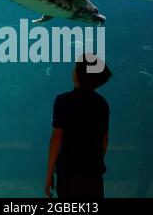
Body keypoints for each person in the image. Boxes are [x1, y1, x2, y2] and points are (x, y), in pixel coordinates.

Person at [45, 53, 112, 198]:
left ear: (78, 74)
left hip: (68, 171)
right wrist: (95, 162)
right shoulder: (102, 103)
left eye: (76, 67)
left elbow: (56, 139)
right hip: (94, 172)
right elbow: (104, 140)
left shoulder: (63, 101)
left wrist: (49, 174)